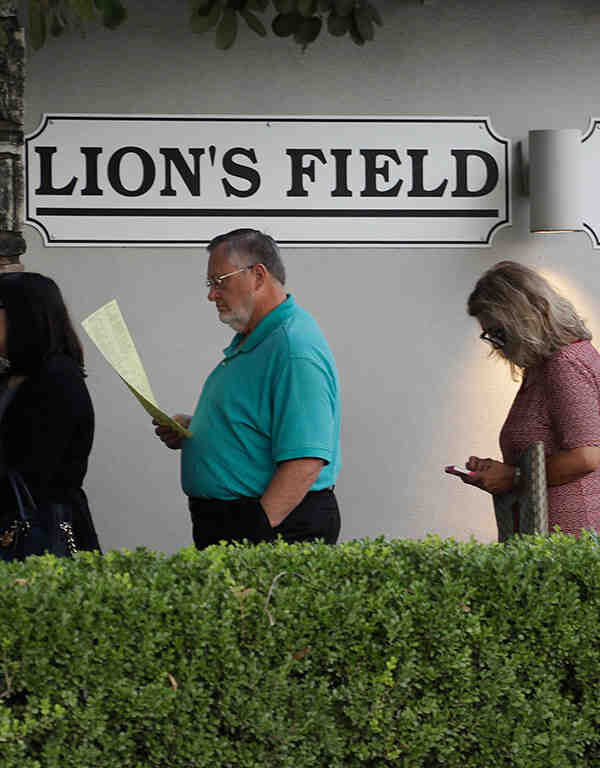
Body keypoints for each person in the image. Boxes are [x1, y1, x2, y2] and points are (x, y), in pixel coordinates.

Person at [154, 228, 341, 548]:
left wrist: (252, 536)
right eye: (210, 284)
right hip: (244, 522)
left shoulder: (292, 347)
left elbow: (306, 460)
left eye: (219, 281)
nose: (211, 295)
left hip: (273, 528)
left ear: (257, 276)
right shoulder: (257, 339)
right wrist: (197, 431)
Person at [460, 260, 600, 536]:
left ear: (524, 318)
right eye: (490, 336)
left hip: (569, 537)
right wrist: (502, 471)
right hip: (553, 536)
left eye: (499, 333)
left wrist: (513, 477)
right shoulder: (545, 366)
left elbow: (587, 457)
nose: (497, 346)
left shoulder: (564, 364)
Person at [0, 272, 100, 558]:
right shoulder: (14, 375)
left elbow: (38, 468)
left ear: (24, 314)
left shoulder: (57, 378)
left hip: (40, 530)